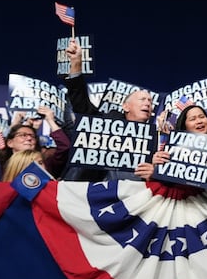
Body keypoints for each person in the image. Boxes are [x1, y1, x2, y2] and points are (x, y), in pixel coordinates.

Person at [62, 37, 155, 182]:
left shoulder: (155, 138)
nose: (148, 103)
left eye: (150, 101)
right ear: (125, 106)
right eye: (142, 99)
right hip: (93, 192)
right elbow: (82, 105)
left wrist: (155, 174)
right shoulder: (107, 121)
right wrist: (76, 64)